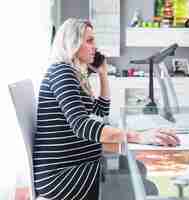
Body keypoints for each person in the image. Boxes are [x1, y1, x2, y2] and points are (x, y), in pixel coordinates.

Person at [33, 18, 180, 200]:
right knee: (144, 186)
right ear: (72, 44)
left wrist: (103, 73)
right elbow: (81, 125)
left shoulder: (73, 74)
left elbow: (101, 111)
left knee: (138, 168)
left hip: (78, 164)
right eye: (89, 41)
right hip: (61, 176)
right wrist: (139, 136)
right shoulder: (62, 72)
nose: (95, 46)